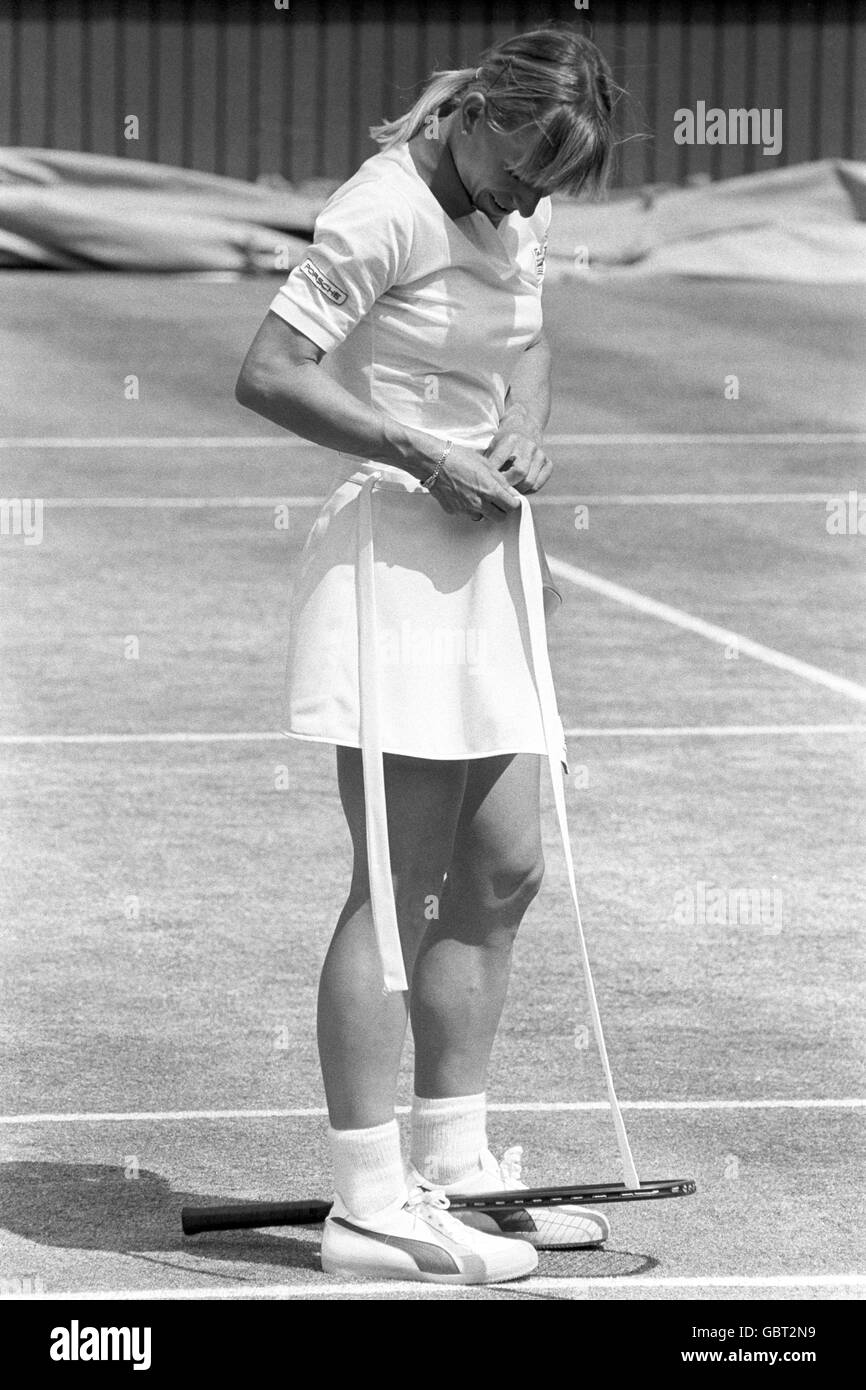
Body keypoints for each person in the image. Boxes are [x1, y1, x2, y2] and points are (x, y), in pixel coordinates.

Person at [236, 23, 618, 1285]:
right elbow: (269, 374)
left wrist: (521, 414)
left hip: (487, 563)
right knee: (392, 890)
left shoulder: (516, 202)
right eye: (521, 173)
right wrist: (424, 453)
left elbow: (530, 338)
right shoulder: (380, 212)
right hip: (391, 565)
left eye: (549, 189)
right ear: (478, 117)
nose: (526, 205)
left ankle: (453, 1169)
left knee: (501, 869)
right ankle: (362, 1206)